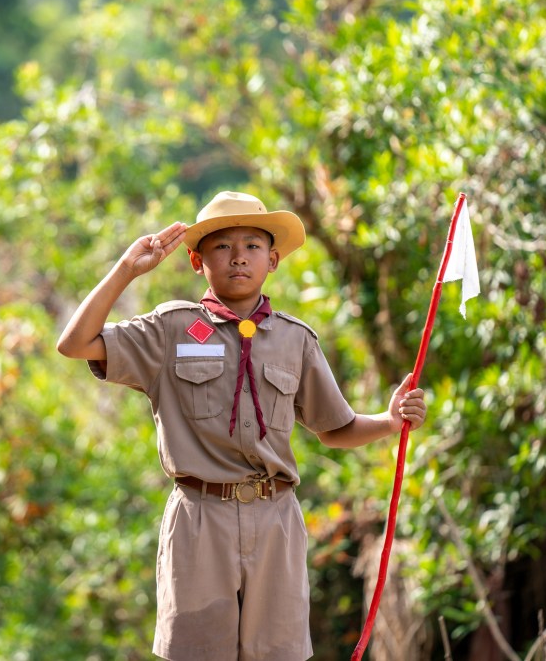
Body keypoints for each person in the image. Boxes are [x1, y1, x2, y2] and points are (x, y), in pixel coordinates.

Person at [57, 191, 427, 661]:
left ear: (273, 260)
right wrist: (127, 269)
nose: (238, 258)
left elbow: (335, 428)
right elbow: (75, 344)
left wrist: (389, 421)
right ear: (197, 261)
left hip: (276, 520)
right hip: (200, 518)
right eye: (222, 246)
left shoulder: (295, 339)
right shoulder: (170, 329)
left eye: (253, 246)